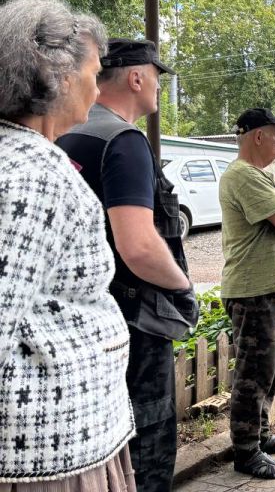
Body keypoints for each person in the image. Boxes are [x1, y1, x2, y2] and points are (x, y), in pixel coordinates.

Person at [0, 0, 136, 489]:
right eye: (94, 74)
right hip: (48, 448)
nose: (98, 89)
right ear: (56, 74)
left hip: (64, 434)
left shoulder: (21, 156)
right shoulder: (32, 174)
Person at [57, 37, 197, 492]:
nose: (158, 87)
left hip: (84, 319)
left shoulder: (65, 133)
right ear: (136, 78)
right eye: (156, 77)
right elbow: (138, 246)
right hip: (136, 321)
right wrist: (182, 288)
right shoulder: (124, 140)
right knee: (148, 438)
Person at [219, 108, 275, 480]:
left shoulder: (261, 175)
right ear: (257, 136)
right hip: (252, 292)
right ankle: (246, 451)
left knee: (271, 368)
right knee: (253, 373)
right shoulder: (242, 175)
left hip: (271, 288)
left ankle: (262, 434)